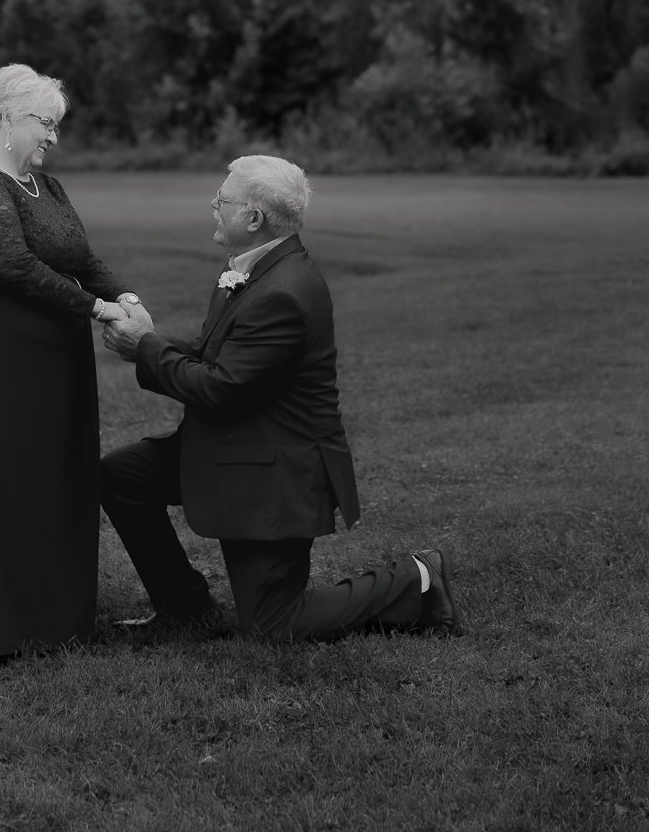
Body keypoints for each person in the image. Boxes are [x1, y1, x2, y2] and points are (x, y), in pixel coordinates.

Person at [100, 154, 460, 643]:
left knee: (274, 625)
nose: (213, 204)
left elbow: (220, 389)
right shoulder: (253, 269)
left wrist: (144, 347)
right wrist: (150, 342)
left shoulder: (283, 292)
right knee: (122, 476)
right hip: (232, 446)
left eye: (222, 199)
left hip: (273, 471)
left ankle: (415, 577)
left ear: (253, 218)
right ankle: (184, 607)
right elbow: (216, 356)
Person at [0, 63, 141, 660]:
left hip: (50, 361)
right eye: (46, 122)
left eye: (56, 125)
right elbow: (11, 264)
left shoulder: (49, 187)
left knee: (51, 475)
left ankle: (53, 614)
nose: (53, 136)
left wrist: (125, 296)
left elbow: (81, 259)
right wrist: (98, 309)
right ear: (7, 118)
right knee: (0, 480)